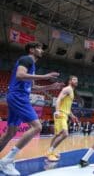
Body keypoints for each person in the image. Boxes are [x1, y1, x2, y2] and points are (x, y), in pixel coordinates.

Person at [0, 42, 63, 176]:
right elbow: (20, 75)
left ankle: (4, 161)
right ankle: (7, 160)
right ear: (32, 49)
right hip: (19, 96)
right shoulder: (26, 59)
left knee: (10, 133)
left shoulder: (32, 65)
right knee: (37, 127)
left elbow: (33, 87)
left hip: (17, 96)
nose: (42, 51)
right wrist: (45, 77)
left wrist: (50, 87)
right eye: (40, 48)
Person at [46, 75, 78, 162]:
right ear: (69, 81)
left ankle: (50, 152)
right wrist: (57, 112)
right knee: (65, 134)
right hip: (61, 114)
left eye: (77, 80)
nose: (76, 81)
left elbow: (67, 106)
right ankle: (50, 152)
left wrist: (72, 116)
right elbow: (58, 100)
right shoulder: (67, 89)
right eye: (74, 79)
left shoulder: (71, 91)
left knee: (57, 135)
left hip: (65, 114)